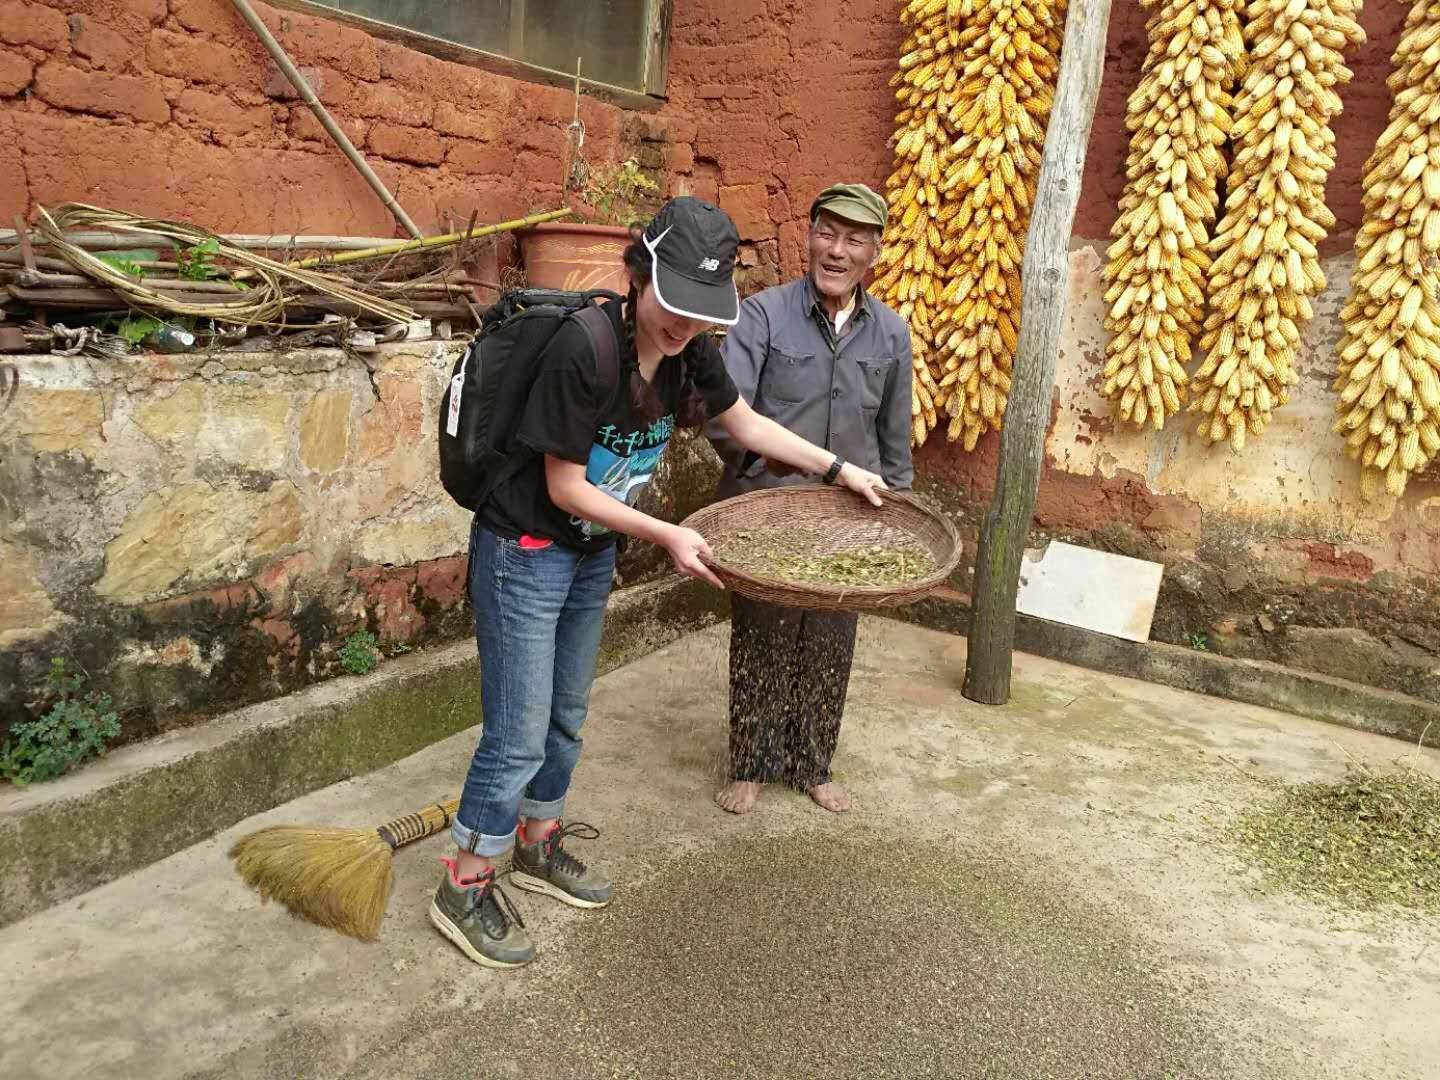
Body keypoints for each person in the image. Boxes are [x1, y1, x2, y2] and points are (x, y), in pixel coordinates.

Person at [431, 196, 888, 969]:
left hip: (589, 553)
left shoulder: (689, 352)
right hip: (527, 549)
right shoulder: (586, 349)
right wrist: (673, 534)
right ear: (640, 272)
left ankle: (537, 846)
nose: (683, 326)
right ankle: (465, 883)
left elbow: (745, 426)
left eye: (700, 313)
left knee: (567, 715)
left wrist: (839, 468)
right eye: (673, 305)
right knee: (515, 734)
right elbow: (568, 485)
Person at [707, 183, 914, 817]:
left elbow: (894, 437)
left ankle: (812, 762)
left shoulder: (891, 335)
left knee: (829, 640)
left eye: (855, 240)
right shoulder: (762, 316)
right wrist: (773, 467)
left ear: (874, 252)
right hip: (767, 511)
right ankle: (751, 761)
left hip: (847, 524)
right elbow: (724, 415)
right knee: (763, 639)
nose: (837, 251)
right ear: (809, 236)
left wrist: (896, 516)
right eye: (827, 233)